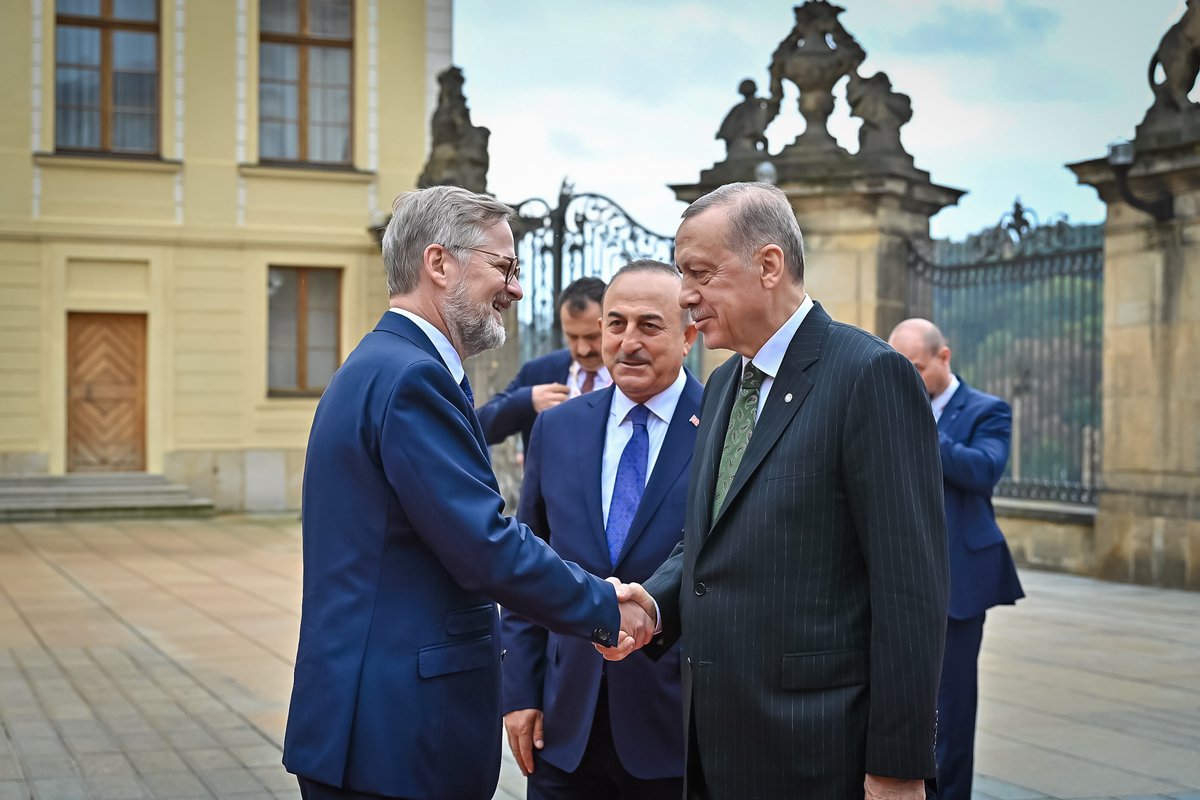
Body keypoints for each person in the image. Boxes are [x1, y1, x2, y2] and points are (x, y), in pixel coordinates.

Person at [282, 186, 653, 800]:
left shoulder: (378, 363)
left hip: (366, 722)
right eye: (503, 268)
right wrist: (603, 605)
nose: (516, 289)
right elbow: (483, 545)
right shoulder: (413, 379)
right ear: (438, 263)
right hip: (399, 734)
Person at [608, 182, 949, 800]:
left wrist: (897, 768)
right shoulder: (719, 386)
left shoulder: (870, 376)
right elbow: (709, 540)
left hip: (817, 752)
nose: (686, 296)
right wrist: (653, 605)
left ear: (769, 265)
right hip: (715, 744)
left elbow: (910, 588)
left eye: (701, 274)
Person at [502, 260, 701, 800]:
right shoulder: (557, 427)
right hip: (564, 732)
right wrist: (519, 691)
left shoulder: (723, 430)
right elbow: (526, 566)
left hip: (677, 734)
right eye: (616, 324)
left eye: (649, 325)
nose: (627, 342)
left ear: (688, 336)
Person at [887, 318, 1025, 800]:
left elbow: (984, 470)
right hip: (898, 577)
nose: (908, 380)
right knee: (902, 702)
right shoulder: (890, 409)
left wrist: (919, 425)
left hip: (960, 583)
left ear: (944, 358)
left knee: (953, 707)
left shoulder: (988, 410)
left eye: (916, 369)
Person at [476, 276, 609, 450]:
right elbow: (479, 427)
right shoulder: (539, 372)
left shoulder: (631, 374)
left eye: (592, 337)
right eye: (572, 337)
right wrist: (527, 400)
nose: (583, 349)